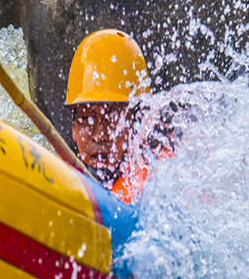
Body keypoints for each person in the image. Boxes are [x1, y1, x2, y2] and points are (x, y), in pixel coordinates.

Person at [66, 29, 178, 203]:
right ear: (73, 128)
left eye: (113, 120)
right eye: (87, 118)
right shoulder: (63, 178)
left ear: (139, 123)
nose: (100, 136)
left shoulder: (162, 180)